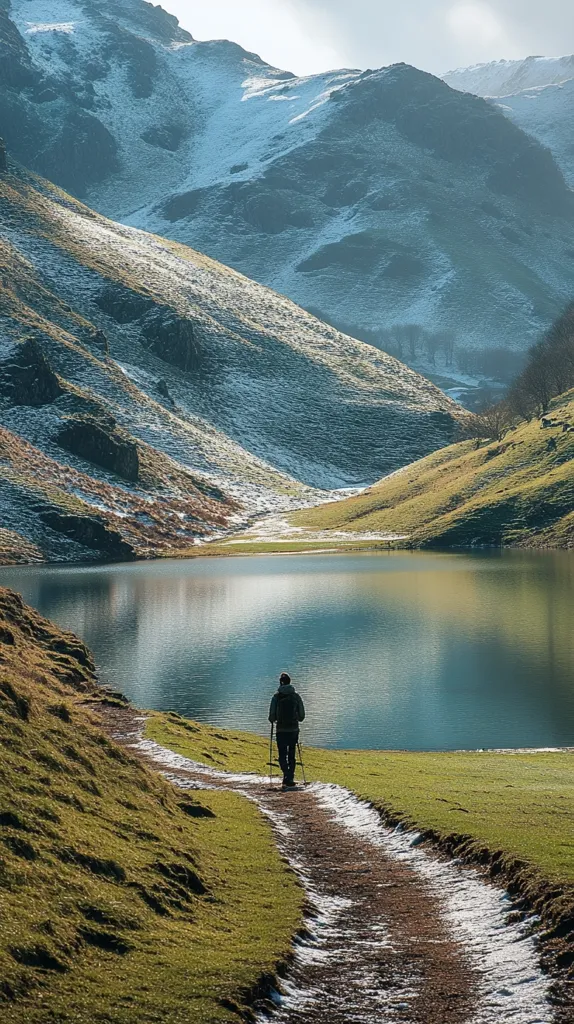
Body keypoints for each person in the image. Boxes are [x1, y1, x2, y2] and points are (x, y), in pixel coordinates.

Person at [268, 673, 305, 789]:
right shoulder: (296, 696)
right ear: (290, 682)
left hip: (281, 730)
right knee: (292, 754)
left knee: (282, 754)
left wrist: (275, 719)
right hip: (293, 730)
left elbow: (271, 717)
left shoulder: (276, 697)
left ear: (280, 682)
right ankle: (291, 777)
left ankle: (286, 775)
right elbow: (302, 716)